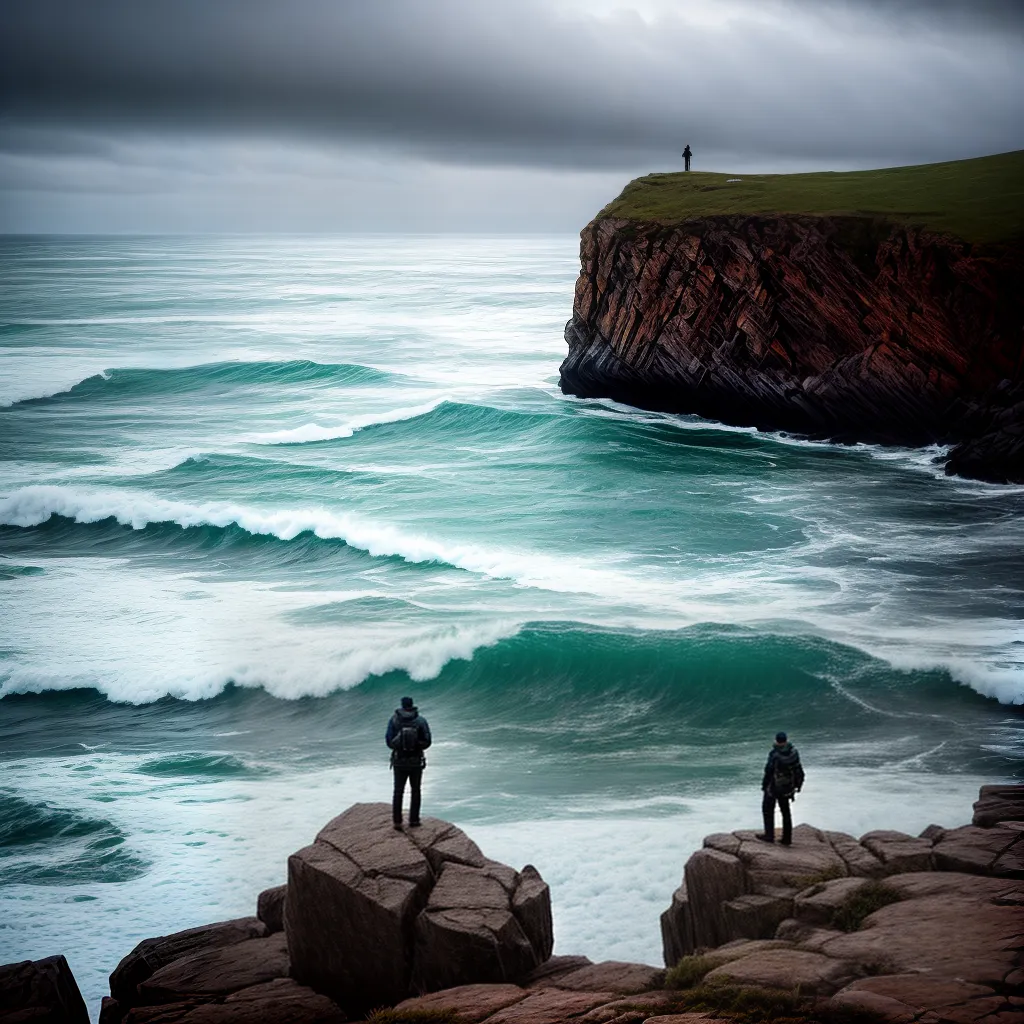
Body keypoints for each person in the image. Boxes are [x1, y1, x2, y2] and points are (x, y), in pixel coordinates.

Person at [386, 695, 432, 829]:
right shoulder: (421, 721)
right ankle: (414, 820)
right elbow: (427, 741)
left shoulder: (394, 720)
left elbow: (389, 742)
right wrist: (416, 745)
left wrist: (400, 744)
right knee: (416, 790)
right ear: (412, 705)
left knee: (398, 791)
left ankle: (397, 822)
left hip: (399, 761)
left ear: (402, 705)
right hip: (415, 761)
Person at [758, 731, 804, 845]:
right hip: (787, 787)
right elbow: (799, 769)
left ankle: (769, 836)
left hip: (774, 787)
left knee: (768, 810)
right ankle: (787, 839)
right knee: (786, 811)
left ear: (776, 741)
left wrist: (764, 785)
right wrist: (798, 785)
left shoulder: (775, 754)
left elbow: (768, 771)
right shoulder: (794, 752)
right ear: (786, 740)